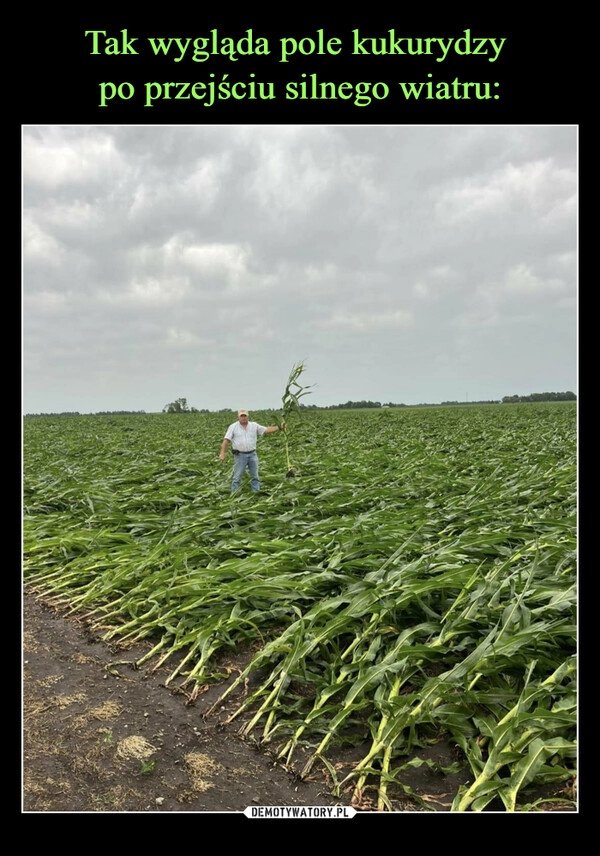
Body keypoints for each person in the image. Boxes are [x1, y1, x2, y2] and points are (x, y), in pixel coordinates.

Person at [219, 409, 286, 493]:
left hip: (252, 454)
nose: (243, 418)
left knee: (255, 476)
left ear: (248, 416)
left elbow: (266, 430)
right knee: (237, 477)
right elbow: (226, 441)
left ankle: (256, 493)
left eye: (245, 416)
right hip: (240, 455)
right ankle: (234, 494)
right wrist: (222, 453)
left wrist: (279, 427)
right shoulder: (233, 427)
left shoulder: (254, 425)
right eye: (241, 416)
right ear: (238, 417)